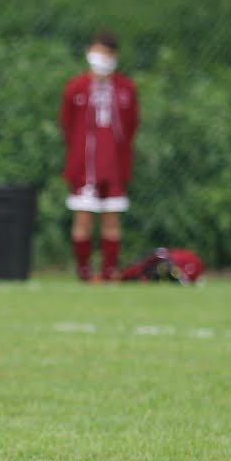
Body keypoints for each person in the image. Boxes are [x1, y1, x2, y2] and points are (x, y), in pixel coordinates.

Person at [59, 31, 139, 282]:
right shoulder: (76, 87)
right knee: (82, 217)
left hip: (114, 166)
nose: (102, 58)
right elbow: (66, 124)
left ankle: (108, 271)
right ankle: (84, 271)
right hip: (84, 165)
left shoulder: (126, 89)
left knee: (111, 218)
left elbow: (131, 125)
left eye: (107, 53)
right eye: (98, 52)